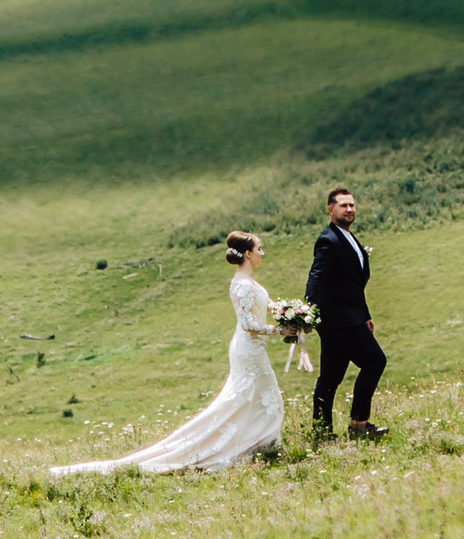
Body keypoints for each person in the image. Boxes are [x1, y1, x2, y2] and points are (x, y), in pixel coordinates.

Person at [50, 231, 298, 477]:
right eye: (259, 249)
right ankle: (247, 447)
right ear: (247, 253)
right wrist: (279, 330)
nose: (262, 253)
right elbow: (247, 323)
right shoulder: (242, 285)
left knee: (257, 398)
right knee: (259, 398)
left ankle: (257, 446)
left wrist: (292, 313)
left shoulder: (249, 282)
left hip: (254, 349)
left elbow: (267, 305)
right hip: (248, 349)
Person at [306, 187, 388, 440]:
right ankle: (359, 424)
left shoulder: (349, 238)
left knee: (330, 377)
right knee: (375, 362)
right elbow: (316, 276)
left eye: (352, 205)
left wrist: (365, 314)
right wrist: (306, 310)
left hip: (349, 317)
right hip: (338, 320)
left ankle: (321, 430)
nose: (349, 209)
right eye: (343, 205)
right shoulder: (328, 240)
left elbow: (351, 284)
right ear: (331, 209)